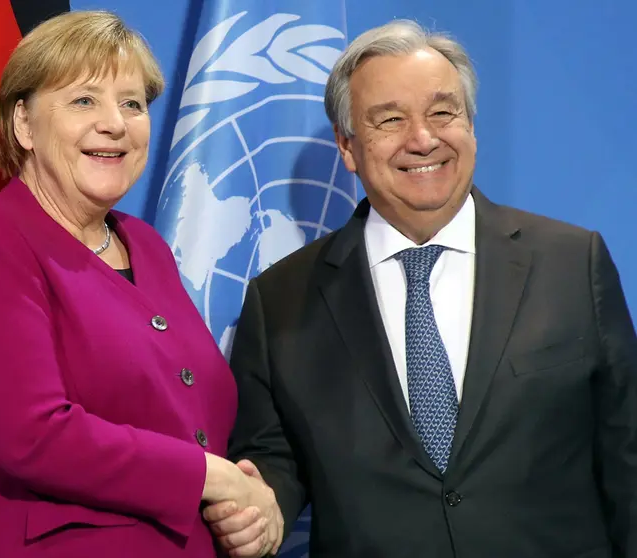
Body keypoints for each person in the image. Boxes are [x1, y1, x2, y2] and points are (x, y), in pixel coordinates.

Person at [205, 19, 637, 558]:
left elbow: (626, 452)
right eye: (390, 119)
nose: (424, 138)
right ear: (348, 146)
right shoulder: (281, 299)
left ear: (471, 124)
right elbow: (276, 459)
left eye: (442, 112)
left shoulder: (573, 262)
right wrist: (261, 506)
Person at [0, 11, 282, 558]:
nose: (115, 123)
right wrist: (212, 477)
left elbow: (193, 420)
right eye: (83, 100)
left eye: (133, 103)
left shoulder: (147, 246)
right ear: (24, 124)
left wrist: (252, 502)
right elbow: (32, 434)